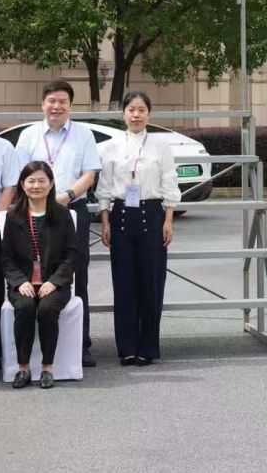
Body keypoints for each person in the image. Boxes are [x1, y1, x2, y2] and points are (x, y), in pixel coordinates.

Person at [16, 80, 101, 367]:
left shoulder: (84, 134)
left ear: (70, 106)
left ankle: (81, 345)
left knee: (78, 274)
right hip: (34, 211)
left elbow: (89, 174)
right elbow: (21, 176)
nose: (56, 106)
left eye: (62, 101)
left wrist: (66, 196)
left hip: (72, 208)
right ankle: (32, 344)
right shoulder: (28, 135)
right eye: (51, 101)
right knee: (35, 270)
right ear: (43, 104)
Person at [97, 91, 180, 367]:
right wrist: (105, 222)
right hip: (121, 215)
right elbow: (104, 188)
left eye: (141, 110)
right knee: (124, 285)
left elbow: (169, 183)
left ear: (149, 114)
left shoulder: (160, 146)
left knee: (151, 283)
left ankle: (148, 347)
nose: (136, 115)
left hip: (153, 214)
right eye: (131, 109)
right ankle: (127, 347)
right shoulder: (110, 147)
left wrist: (168, 221)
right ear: (123, 113)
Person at [0, 161, 79, 389]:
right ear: (22, 185)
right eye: (31, 181)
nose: (36, 186)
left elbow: (72, 254)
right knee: (25, 307)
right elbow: (6, 257)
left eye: (42, 181)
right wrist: (19, 282)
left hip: (54, 283)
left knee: (47, 309)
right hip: (23, 282)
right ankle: (23, 368)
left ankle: (47, 368)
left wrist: (54, 282)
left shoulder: (63, 215)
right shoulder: (13, 216)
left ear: (51, 184)